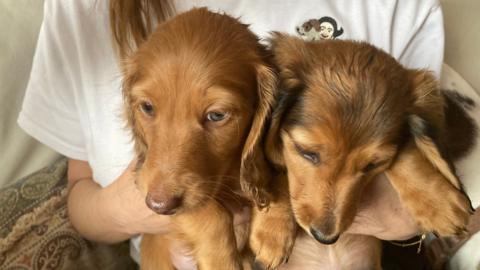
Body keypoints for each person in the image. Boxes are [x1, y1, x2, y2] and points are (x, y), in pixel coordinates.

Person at [18, 0, 444, 268]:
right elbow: (82, 195)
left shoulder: (395, 12)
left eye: (217, 114)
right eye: (146, 107)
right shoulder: (80, 11)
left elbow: (417, 154)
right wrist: (140, 207)